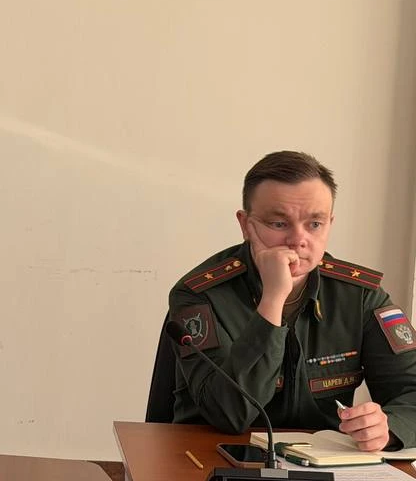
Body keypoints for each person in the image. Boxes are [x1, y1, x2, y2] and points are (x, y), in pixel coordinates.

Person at [170, 150, 416, 450]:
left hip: (324, 466)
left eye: (315, 224)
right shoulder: (199, 294)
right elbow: (230, 414)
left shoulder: (360, 296)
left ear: (330, 223)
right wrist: (273, 299)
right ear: (246, 225)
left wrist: (387, 428)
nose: (298, 239)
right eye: (279, 223)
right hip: (210, 461)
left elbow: (411, 390)